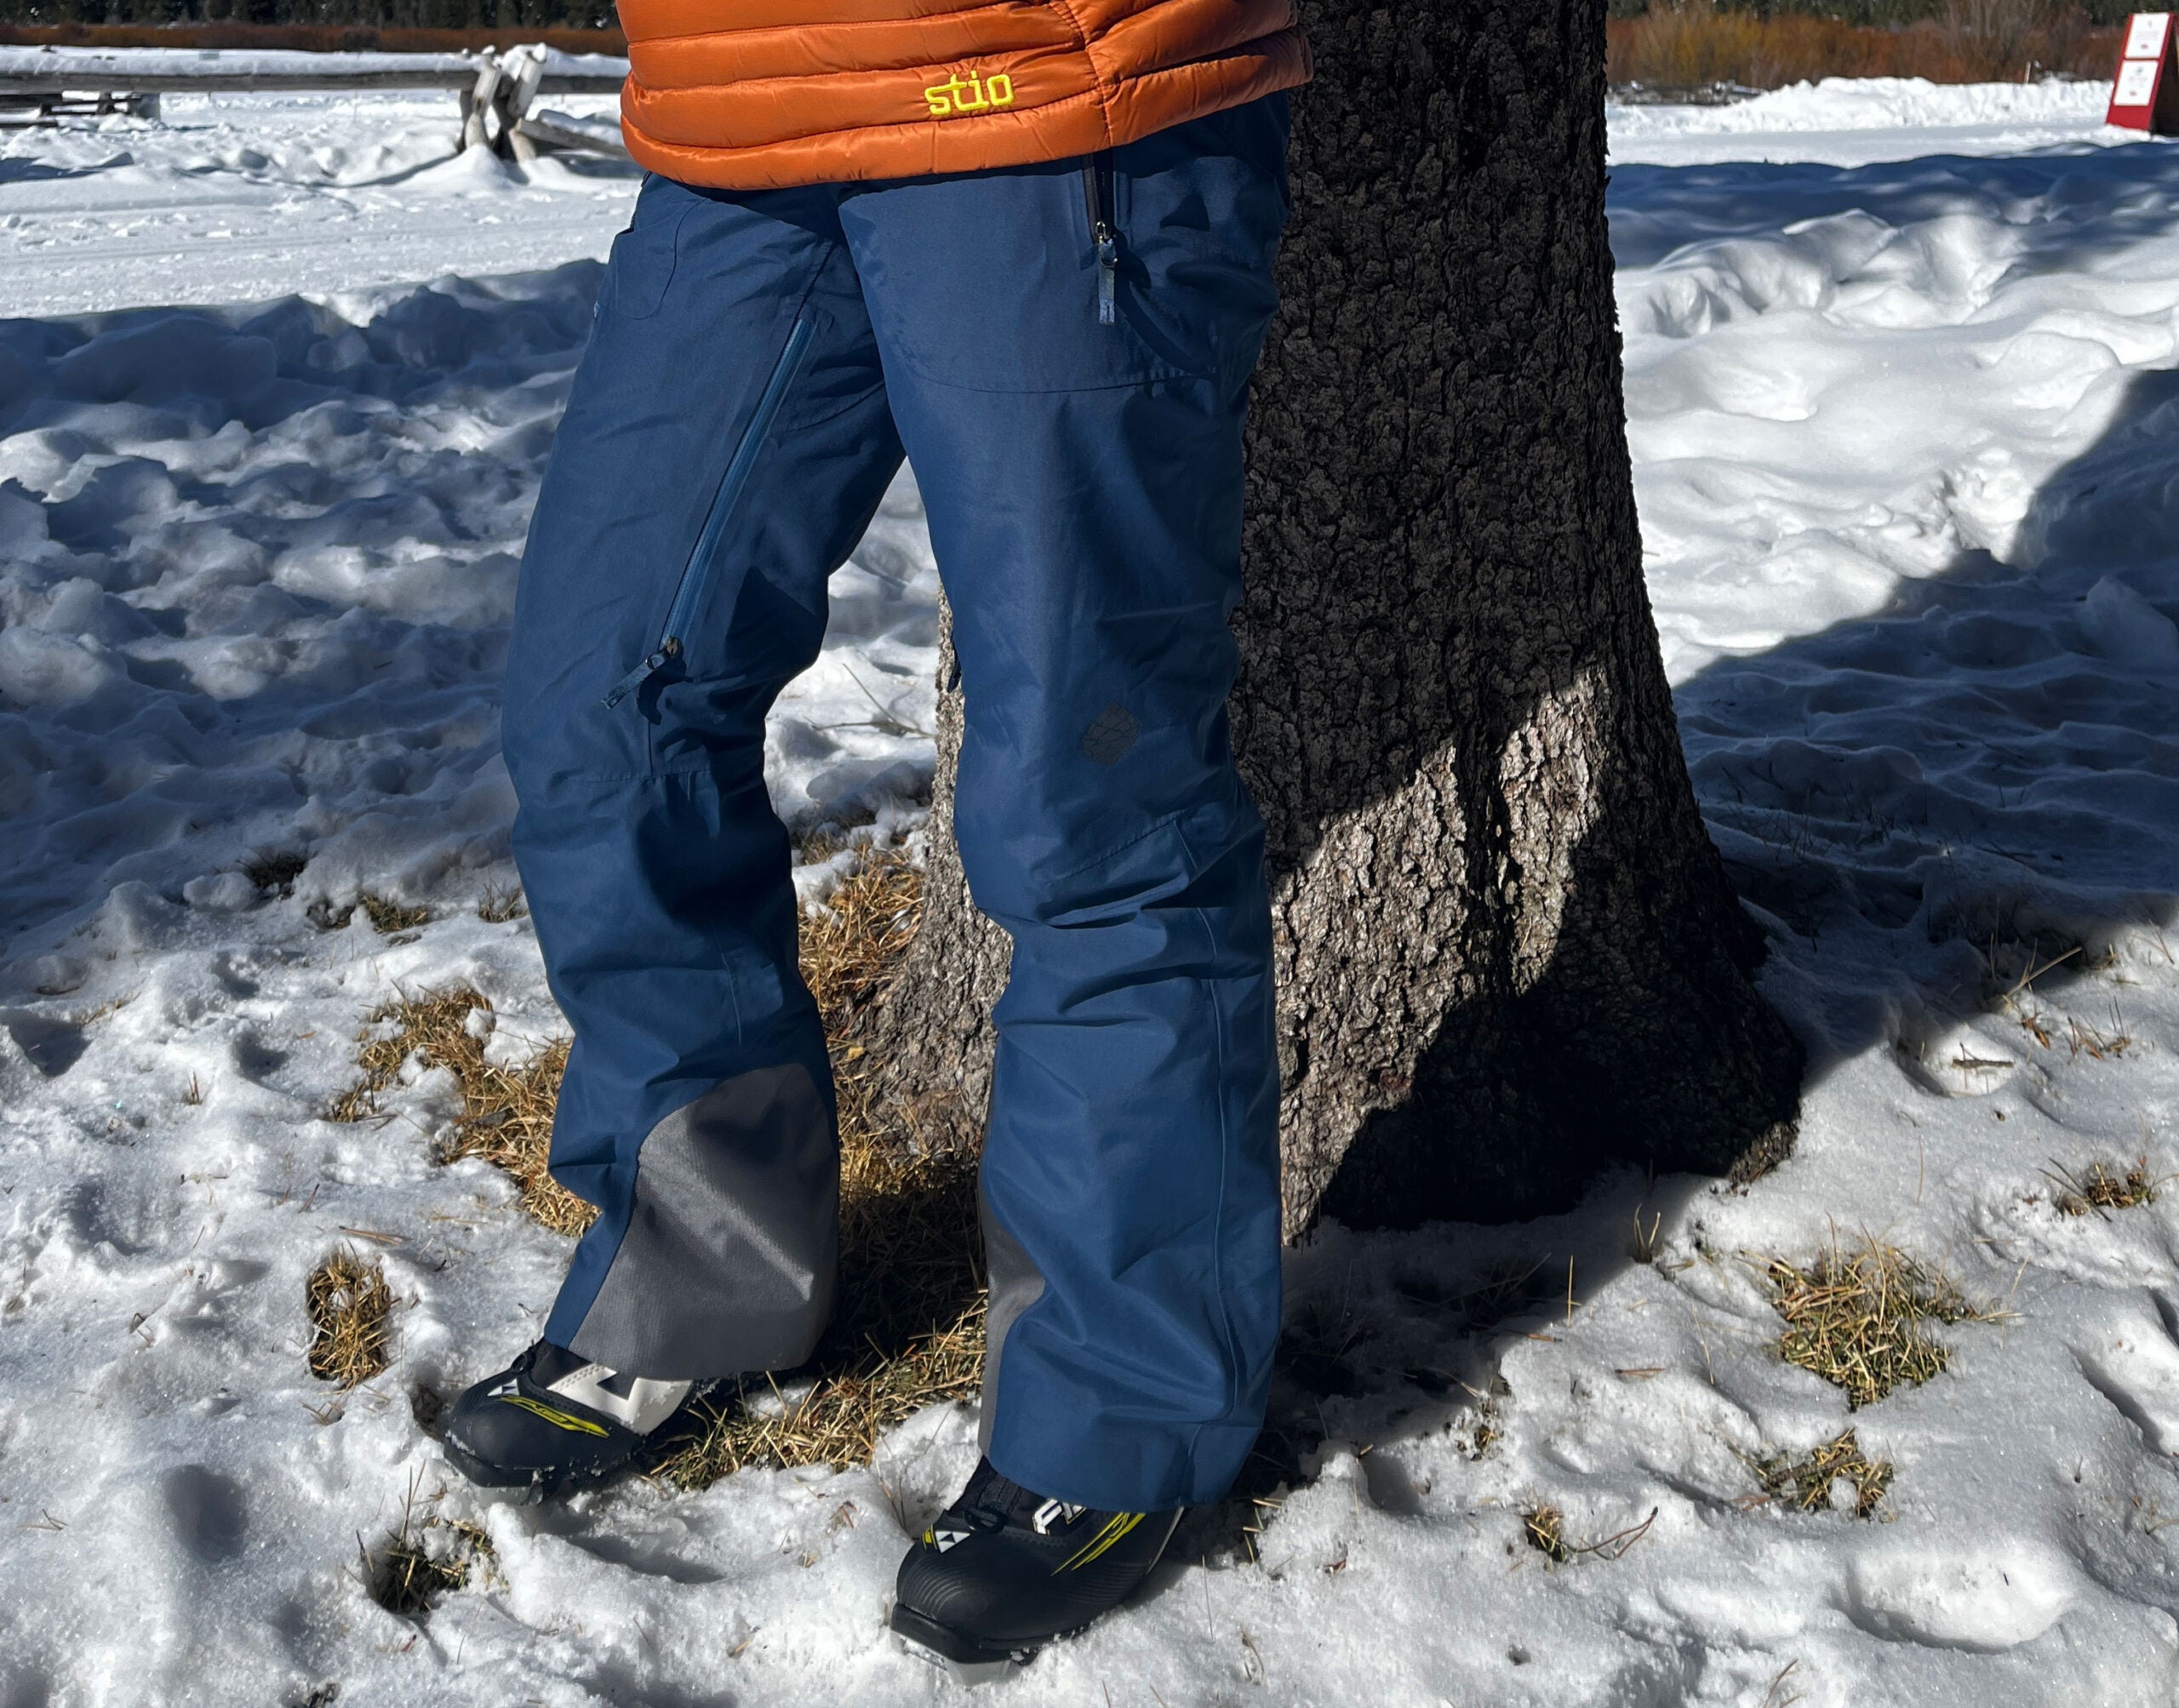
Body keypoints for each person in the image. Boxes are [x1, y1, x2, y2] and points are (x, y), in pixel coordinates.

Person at [442, 0, 1311, 1682]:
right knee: (605, 704)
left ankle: (1122, 1415)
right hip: (735, 112)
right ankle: (701, 1273)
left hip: (1050, 99)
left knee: (1090, 785)